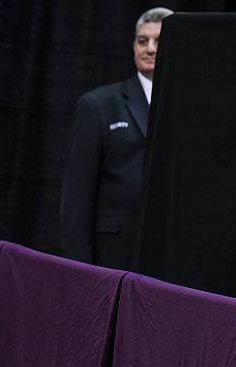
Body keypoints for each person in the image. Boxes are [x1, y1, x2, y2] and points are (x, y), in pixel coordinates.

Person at [60, 7, 173, 269]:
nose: (150, 48)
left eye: (159, 41)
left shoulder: (190, 108)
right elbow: (77, 198)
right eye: (142, 41)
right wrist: (78, 268)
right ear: (133, 47)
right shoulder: (99, 105)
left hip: (170, 255)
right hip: (113, 256)